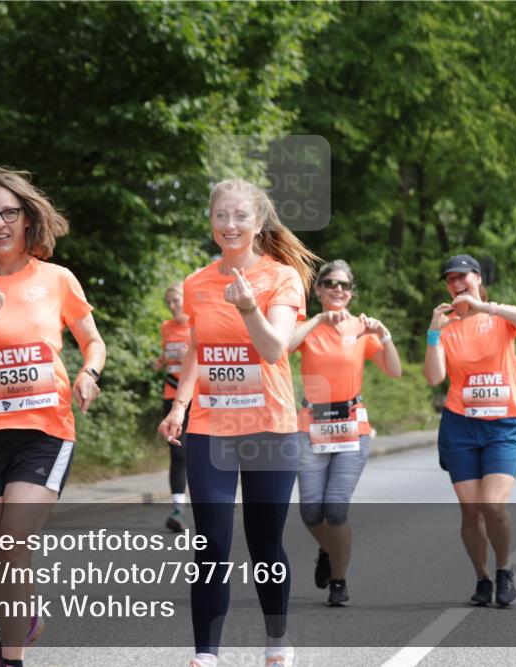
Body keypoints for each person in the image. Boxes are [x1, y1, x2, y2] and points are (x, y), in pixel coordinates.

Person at [0, 168, 106, 667]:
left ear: (27, 219)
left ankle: (8, 657)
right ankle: (24, 615)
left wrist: (89, 373)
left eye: (9, 212)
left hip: (45, 431)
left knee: (14, 543)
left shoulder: (57, 280)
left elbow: (92, 341)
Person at [158, 178, 318, 667]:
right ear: (211, 223)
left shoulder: (281, 278)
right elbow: (198, 352)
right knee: (211, 544)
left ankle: (276, 642)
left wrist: (248, 307)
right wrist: (179, 406)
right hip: (210, 428)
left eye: (240, 216)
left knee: (265, 544)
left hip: (269, 427)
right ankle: (206, 654)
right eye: (221, 216)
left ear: (258, 223)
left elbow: (274, 349)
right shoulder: (196, 284)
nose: (230, 225)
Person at [424, 254, 516, 608]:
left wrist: (486, 308)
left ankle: (505, 568)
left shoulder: (499, 318)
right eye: (450, 279)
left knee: (492, 504)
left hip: (502, 425)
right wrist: (432, 332)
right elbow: (434, 377)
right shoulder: (447, 328)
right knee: (470, 509)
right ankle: (482, 576)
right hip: (460, 425)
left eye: (463, 276)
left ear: (477, 278)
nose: (457, 283)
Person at [289, 259, 401, 607]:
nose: (338, 289)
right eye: (330, 283)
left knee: (335, 509)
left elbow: (394, 371)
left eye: (345, 285)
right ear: (318, 290)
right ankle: (328, 548)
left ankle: (339, 580)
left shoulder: (362, 329)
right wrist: (319, 319)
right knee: (311, 512)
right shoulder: (307, 326)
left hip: (353, 427)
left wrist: (384, 336)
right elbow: (281, 348)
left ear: (351, 294)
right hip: (311, 427)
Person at [153, 282, 191, 532]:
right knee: (177, 452)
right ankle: (177, 509)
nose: (173, 306)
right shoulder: (166, 328)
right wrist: (160, 362)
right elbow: (168, 357)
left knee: (200, 451)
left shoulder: (197, 325)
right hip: (171, 394)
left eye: (176, 301)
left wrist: (190, 355)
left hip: (196, 397)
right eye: (169, 303)